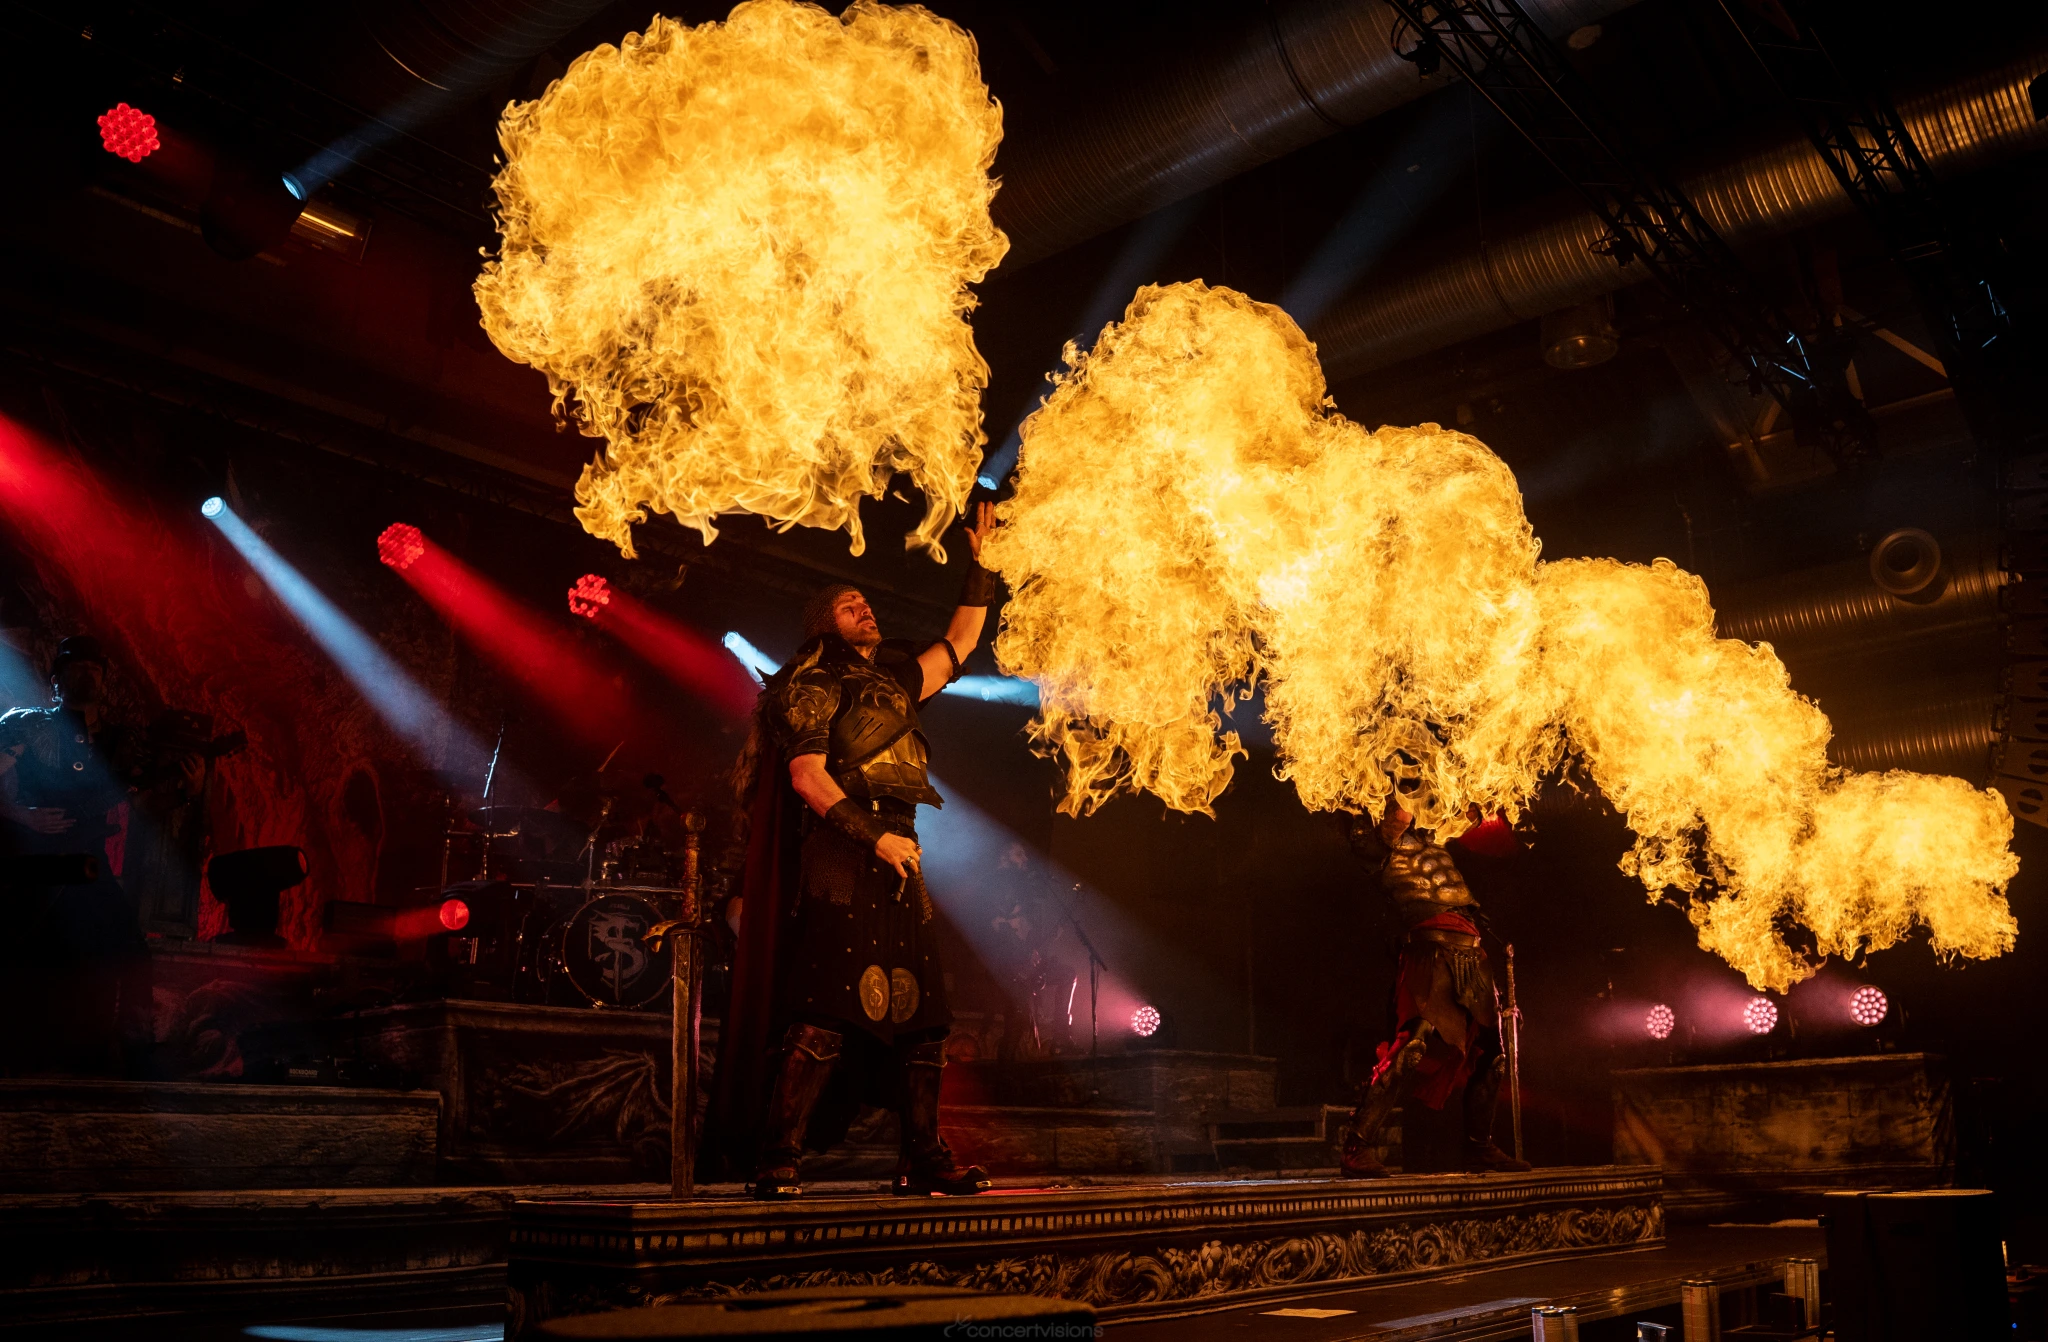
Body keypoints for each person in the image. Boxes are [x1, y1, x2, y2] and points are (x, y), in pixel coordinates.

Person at [713, 504, 1000, 1200]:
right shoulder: (808, 687)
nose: (863, 609)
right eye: (848, 606)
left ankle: (923, 1157)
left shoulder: (896, 682)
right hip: (844, 856)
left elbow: (961, 640)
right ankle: (778, 1156)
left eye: (864, 602)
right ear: (824, 626)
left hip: (901, 854)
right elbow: (806, 777)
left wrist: (983, 563)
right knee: (828, 1014)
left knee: (924, 1019)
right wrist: (873, 838)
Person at [1337, 800, 1531, 1177]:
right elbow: (1396, 818)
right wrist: (1405, 791)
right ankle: (1357, 1146)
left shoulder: (1431, 834)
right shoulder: (1375, 841)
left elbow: (1473, 814)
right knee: (1412, 1046)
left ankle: (1479, 1148)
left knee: (1493, 1056)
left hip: (1471, 950)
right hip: (1429, 948)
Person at [0, 637, 152, 1075]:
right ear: (56, 680)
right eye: (76, 666)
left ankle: (122, 1059)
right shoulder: (26, 724)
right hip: (33, 861)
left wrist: (182, 788)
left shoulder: (120, 742)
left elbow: (143, 804)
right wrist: (22, 815)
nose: (88, 673)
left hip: (88, 862)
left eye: (96, 667)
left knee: (127, 955)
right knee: (25, 957)